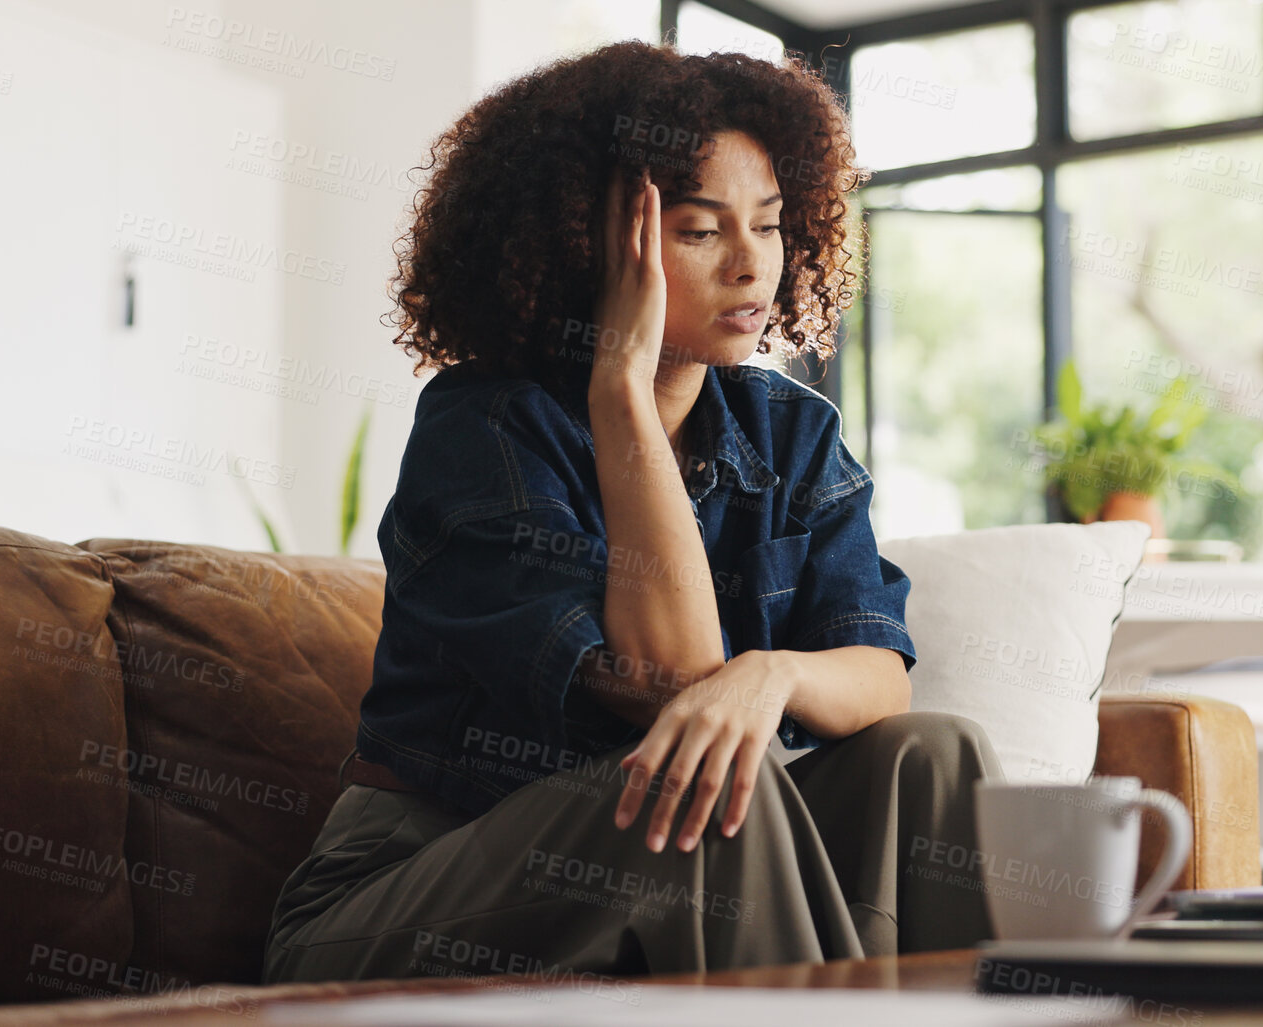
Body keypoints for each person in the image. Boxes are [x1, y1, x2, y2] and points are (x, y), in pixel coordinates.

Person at [263, 38, 1001, 985]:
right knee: (698, 797)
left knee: (932, 753)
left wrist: (770, 674)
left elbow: (881, 674)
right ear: (592, 250)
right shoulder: (483, 426)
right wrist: (620, 386)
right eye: (700, 232)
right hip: (409, 884)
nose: (750, 266)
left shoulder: (790, 431)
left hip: (658, 845)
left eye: (769, 226)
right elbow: (672, 673)